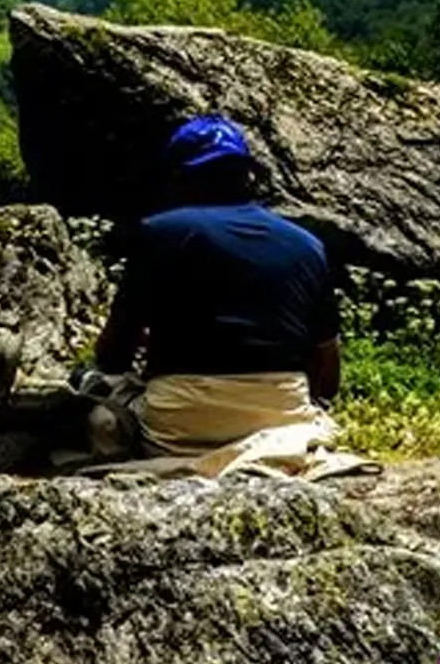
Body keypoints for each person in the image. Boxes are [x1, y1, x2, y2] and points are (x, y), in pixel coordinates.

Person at [89, 114, 360, 477]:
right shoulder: (307, 245)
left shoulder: (158, 232)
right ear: (248, 175)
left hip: (178, 426)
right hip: (282, 421)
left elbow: (113, 354)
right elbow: (328, 374)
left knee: (96, 395)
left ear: (179, 178)